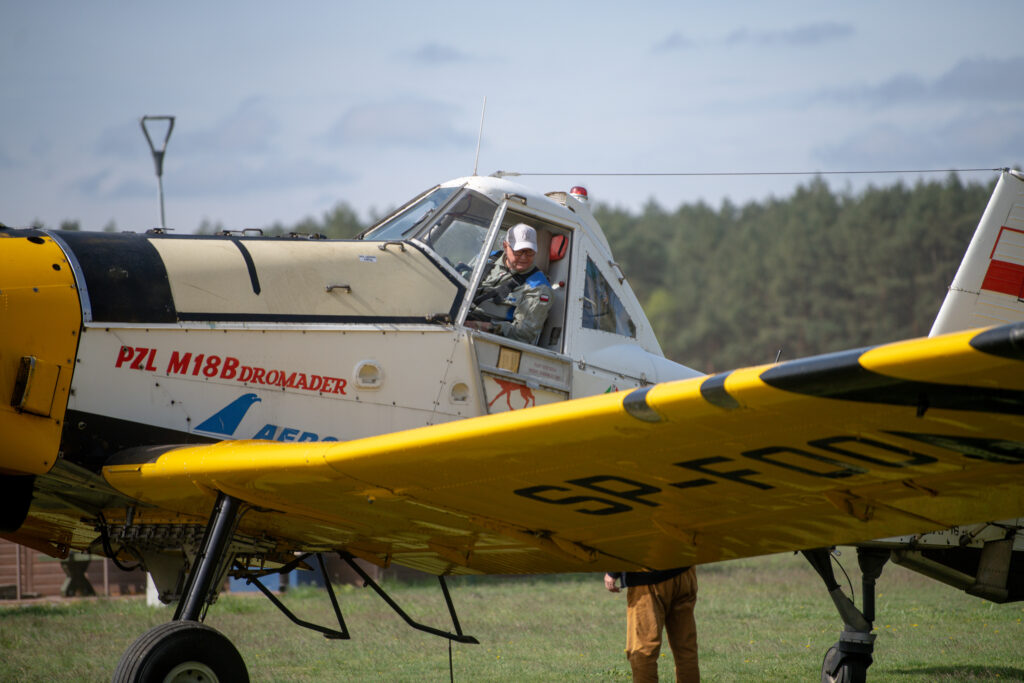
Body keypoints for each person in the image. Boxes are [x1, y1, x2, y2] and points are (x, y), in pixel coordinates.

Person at [605, 566, 699, 682]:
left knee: (643, 651)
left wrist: (613, 572)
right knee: (686, 648)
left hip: (648, 578)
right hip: (685, 573)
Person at [466, 223, 553, 344]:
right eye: (518, 252)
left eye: (530, 252)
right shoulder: (486, 258)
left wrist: (479, 326)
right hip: (462, 316)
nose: (524, 258)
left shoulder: (539, 287)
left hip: (487, 339)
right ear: (505, 246)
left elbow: (524, 333)